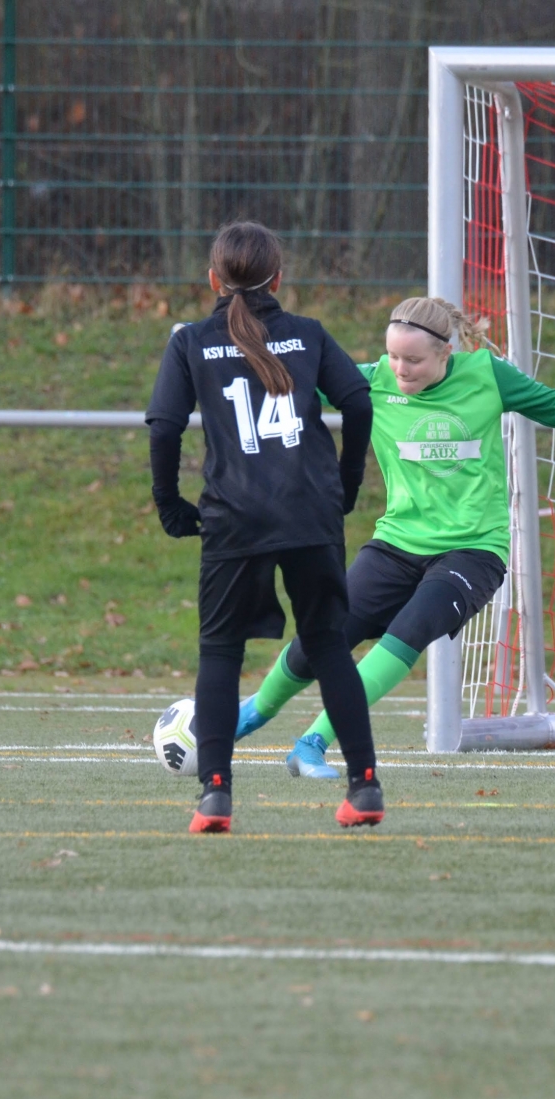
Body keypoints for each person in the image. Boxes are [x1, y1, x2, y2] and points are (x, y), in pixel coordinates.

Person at [237, 296, 555, 777]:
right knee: (322, 636)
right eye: (393, 356)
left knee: (406, 634)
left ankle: (312, 743)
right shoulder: (371, 380)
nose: (400, 368)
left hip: (473, 552)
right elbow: (287, 380)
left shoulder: (487, 375)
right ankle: (247, 716)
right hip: (396, 544)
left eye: (413, 359)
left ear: (446, 352)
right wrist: (225, 356)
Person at [145, 222, 383, 831]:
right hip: (310, 511)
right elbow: (358, 402)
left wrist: (170, 503)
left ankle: (215, 796)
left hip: (235, 516)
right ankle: (364, 787)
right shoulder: (308, 333)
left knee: (221, 650)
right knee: (328, 645)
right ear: (278, 279)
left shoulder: (191, 341)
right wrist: (346, 484)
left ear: (212, 280)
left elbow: (165, 426)